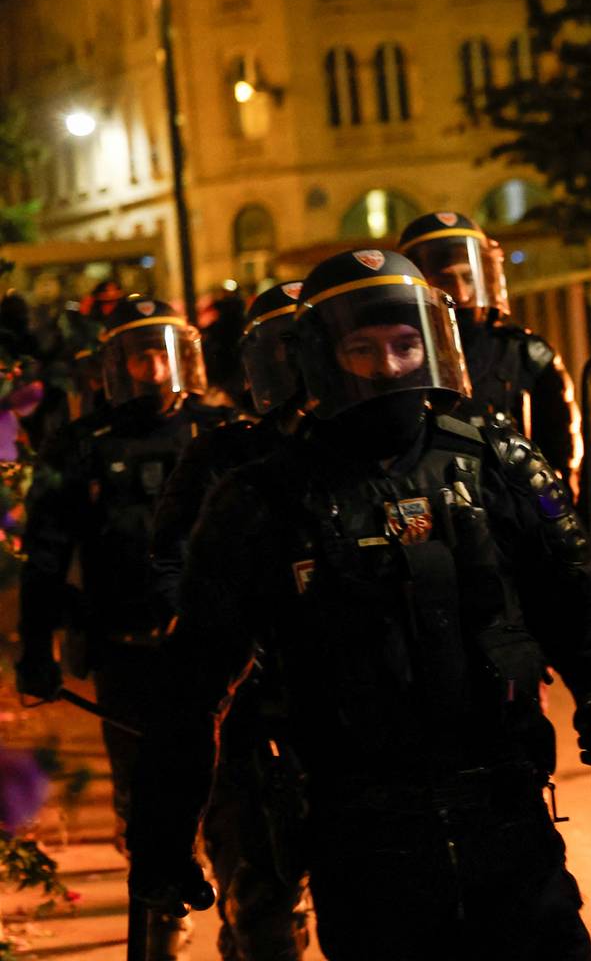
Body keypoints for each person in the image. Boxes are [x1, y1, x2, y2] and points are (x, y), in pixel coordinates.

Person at [124, 250, 591, 961]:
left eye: (404, 344)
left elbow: (576, 599)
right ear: (321, 361)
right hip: (362, 838)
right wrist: (163, 835)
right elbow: (192, 679)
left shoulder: (492, 462)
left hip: (506, 819)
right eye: (363, 349)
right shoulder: (262, 500)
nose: (389, 367)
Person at [13, 295, 231, 959]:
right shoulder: (83, 447)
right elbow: (47, 553)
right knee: (147, 800)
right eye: (140, 355)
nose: (156, 368)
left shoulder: (220, 432)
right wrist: (37, 644)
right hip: (129, 654)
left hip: (224, 651)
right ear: (116, 365)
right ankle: (161, 919)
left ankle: (258, 920)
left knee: (238, 794)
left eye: (165, 351)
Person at [147, 281, 311, 961]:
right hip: (249, 721)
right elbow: (173, 561)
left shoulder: (393, 454)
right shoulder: (223, 458)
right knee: (260, 900)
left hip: (358, 730)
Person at [397, 211, 580, 487]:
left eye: (469, 279)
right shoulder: (398, 361)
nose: (460, 293)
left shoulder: (526, 355)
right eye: (445, 281)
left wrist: (549, 515)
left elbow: (563, 467)